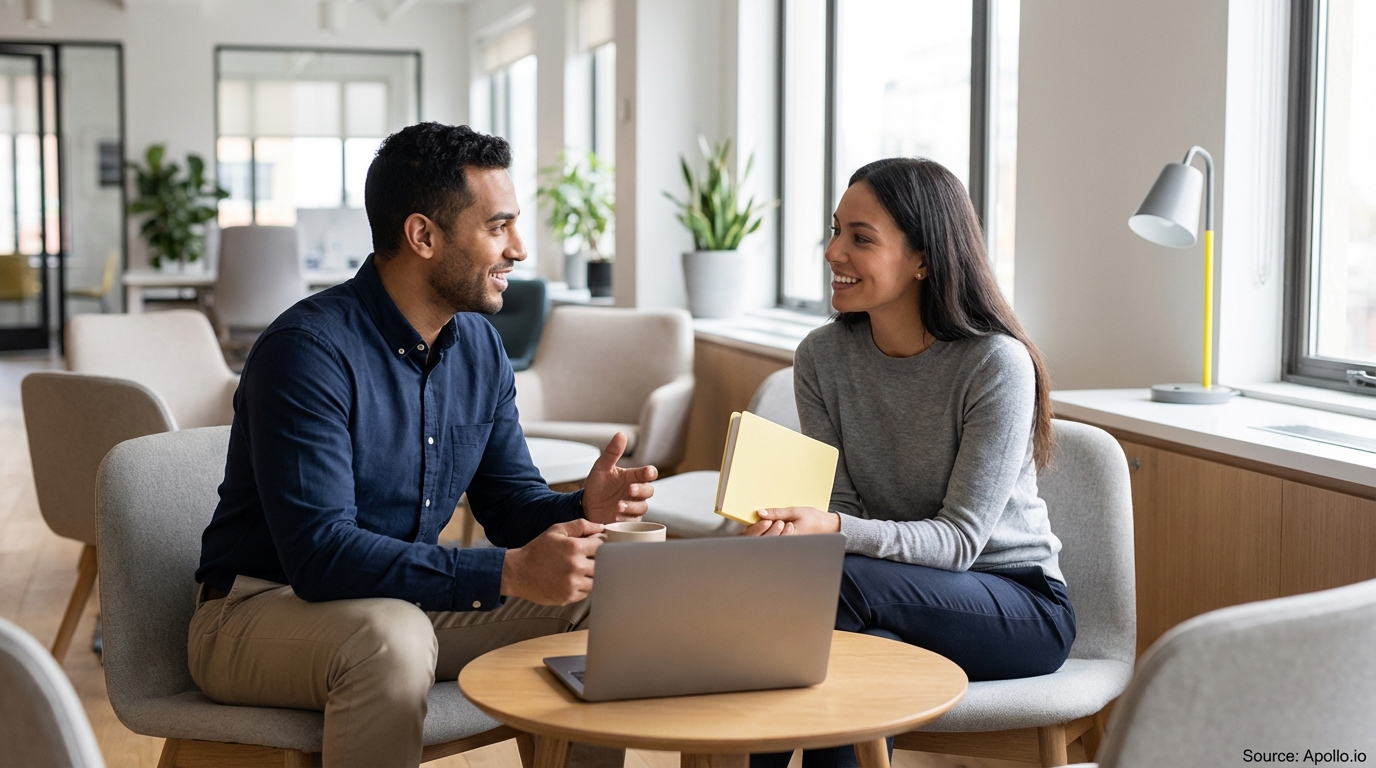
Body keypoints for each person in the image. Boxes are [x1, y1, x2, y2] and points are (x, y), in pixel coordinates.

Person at [189, 123, 656, 768]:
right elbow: (320, 555)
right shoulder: (308, 353)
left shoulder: (479, 349)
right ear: (423, 236)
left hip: (399, 604)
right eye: (498, 227)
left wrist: (582, 507)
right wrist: (510, 572)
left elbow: (510, 504)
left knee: (606, 597)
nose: (519, 249)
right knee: (392, 637)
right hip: (257, 611)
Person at [745, 157, 1075, 768]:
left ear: (924, 258)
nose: (833, 252)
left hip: (1016, 605)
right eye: (835, 230)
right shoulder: (821, 357)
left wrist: (833, 532)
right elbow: (840, 503)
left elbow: (958, 544)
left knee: (830, 593)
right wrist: (796, 528)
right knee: (858, 656)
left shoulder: (994, 364)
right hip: (884, 597)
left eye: (860, 238)